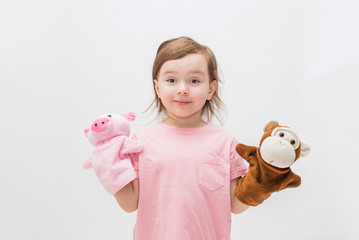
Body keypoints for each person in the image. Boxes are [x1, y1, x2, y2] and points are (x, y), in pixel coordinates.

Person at [114, 36, 249, 240]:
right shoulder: (141, 141)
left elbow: (236, 205)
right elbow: (129, 204)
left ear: (210, 89)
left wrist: (262, 182)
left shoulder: (225, 142)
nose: (182, 89)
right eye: (171, 80)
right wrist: (108, 163)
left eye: (194, 81)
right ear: (158, 88)